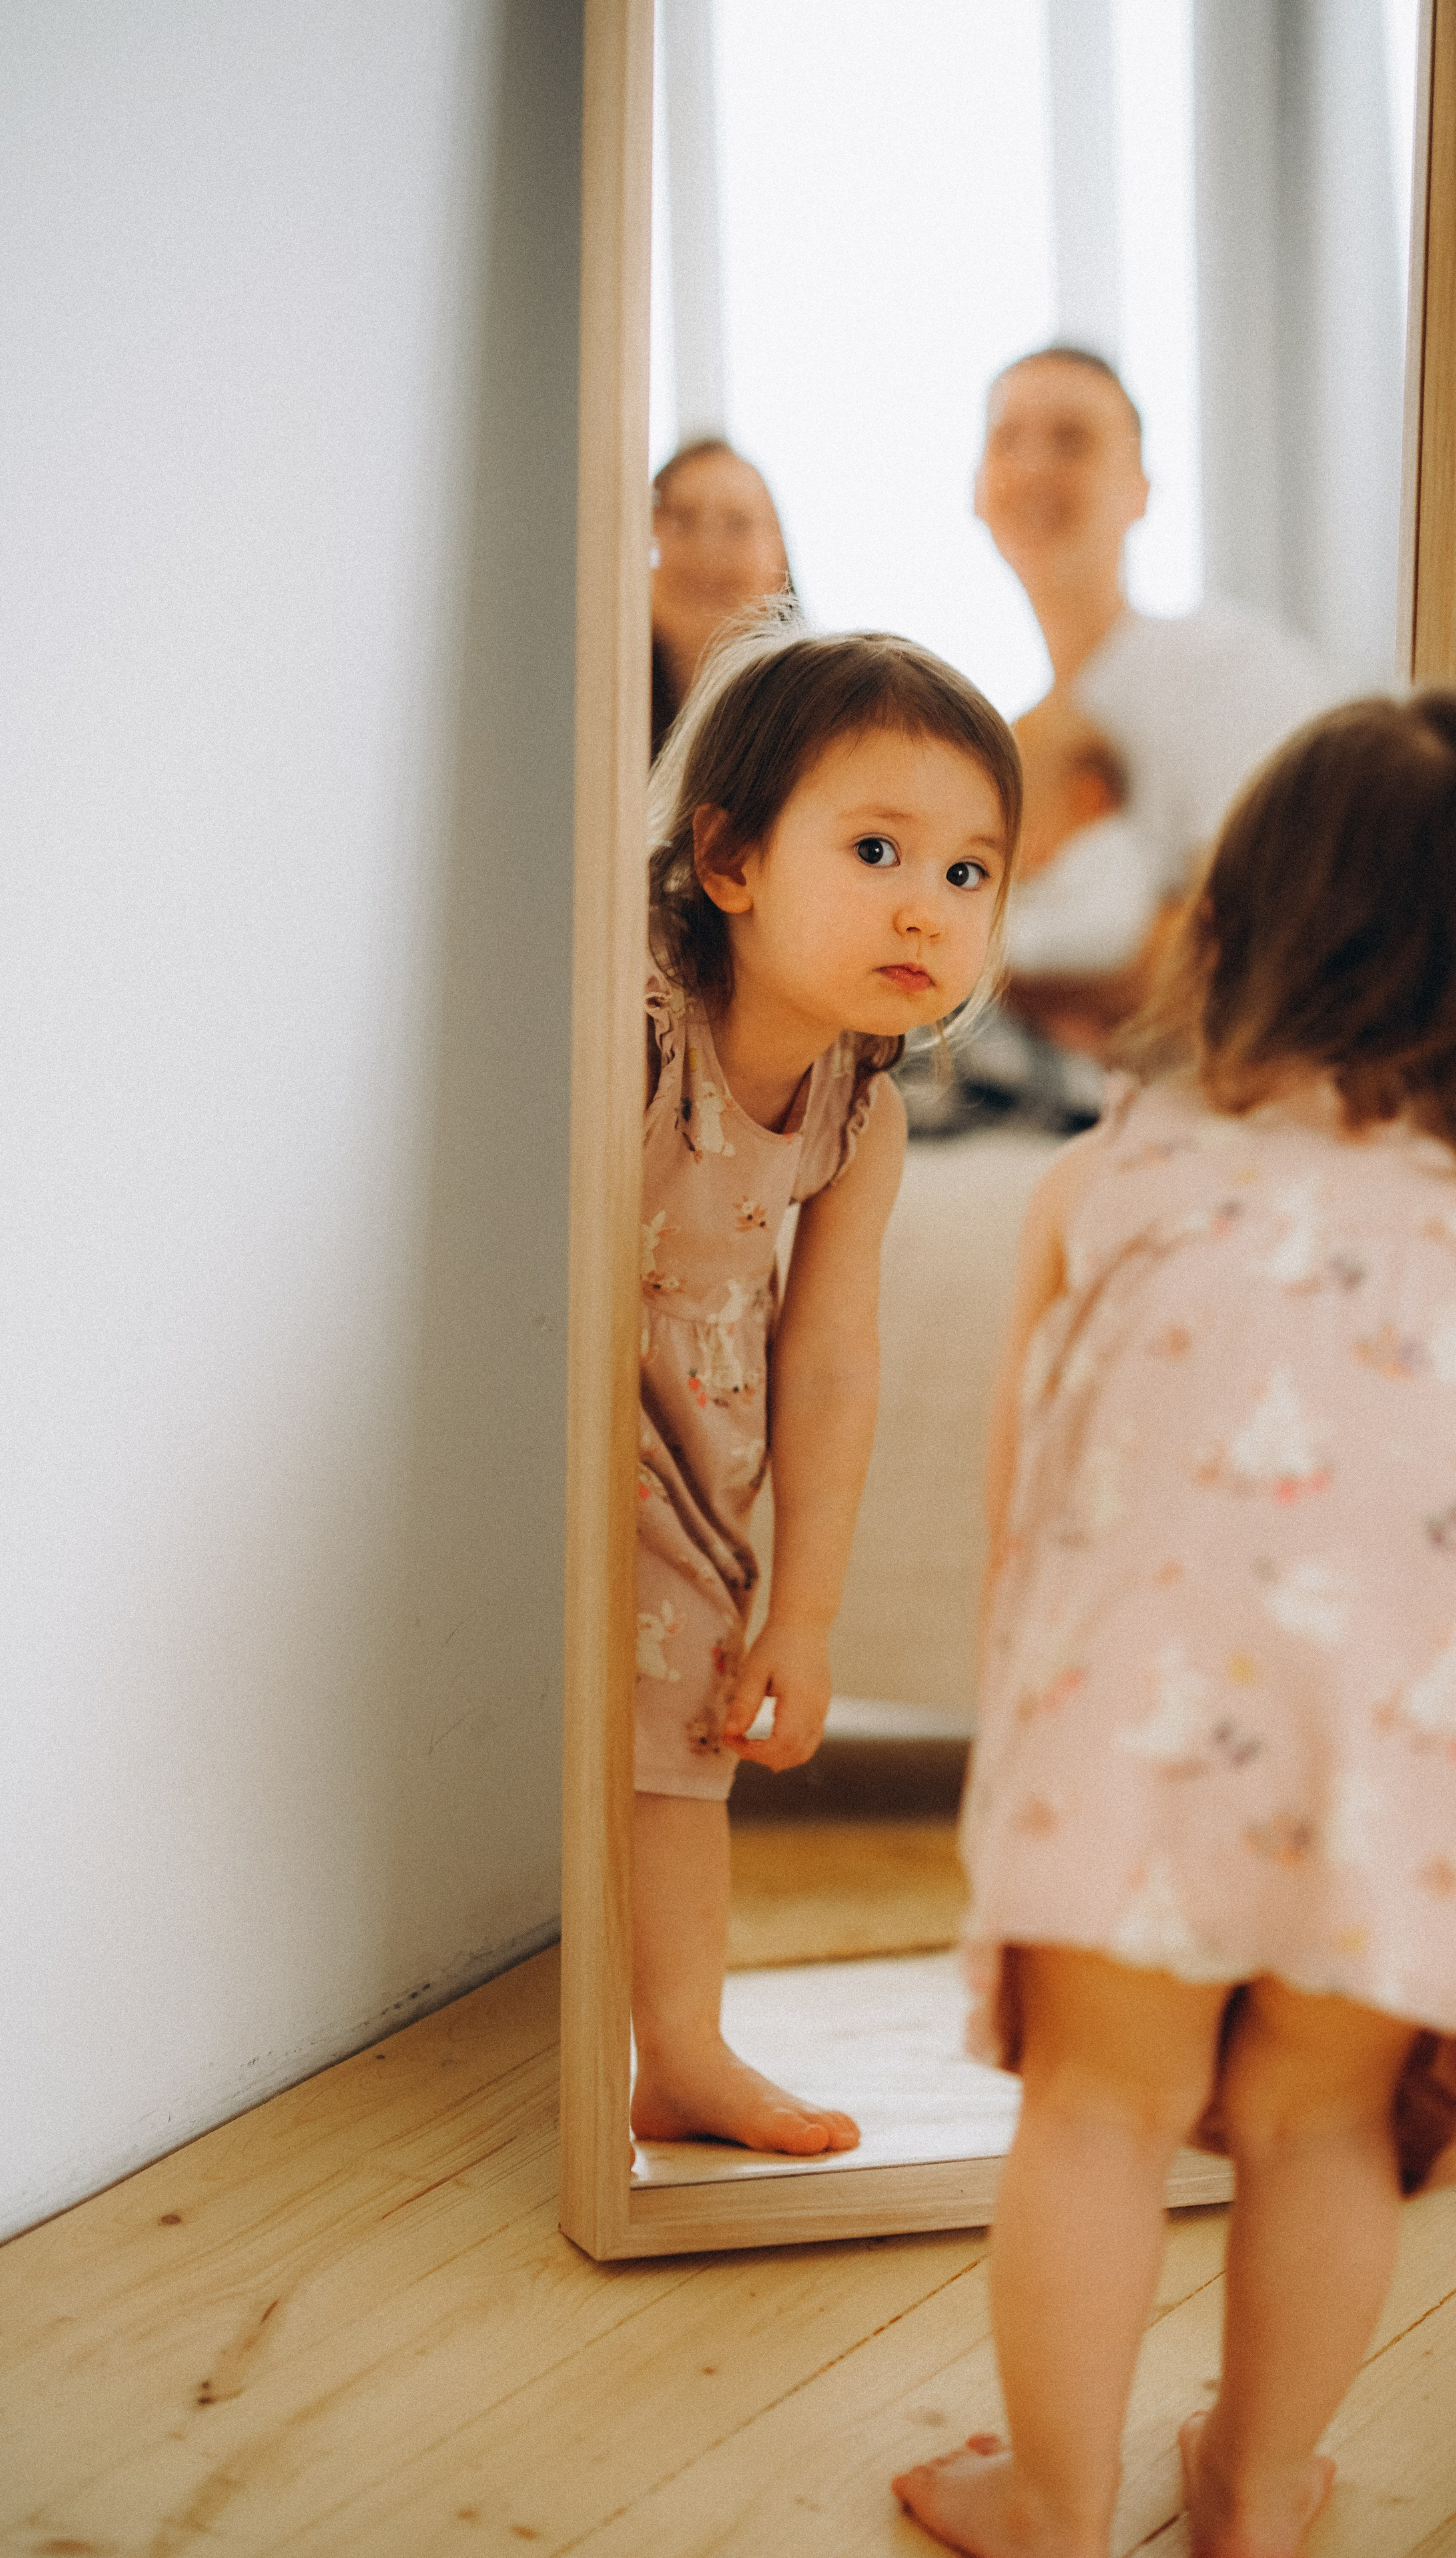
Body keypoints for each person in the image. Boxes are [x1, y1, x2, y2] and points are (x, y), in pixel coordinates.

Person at [894, 689, 1456, 2555]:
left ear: (1234, 922)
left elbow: (1019, 1502)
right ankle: (1255, 2488)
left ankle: (1049, 2502)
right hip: (1406, 1771)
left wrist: (1021, 1719)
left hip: (1122, 1734)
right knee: (1318, 2133)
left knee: (1099, 2116)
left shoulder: (1120, 1171)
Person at [633, 614, 1020, 2155]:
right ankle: (658, 2034)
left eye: (966, 872)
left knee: (687, 1754)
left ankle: (679, 2047)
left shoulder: (861, 1114)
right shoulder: (641, 1036)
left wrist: (804, 1607)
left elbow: (835, 1357)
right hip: (587, 1423)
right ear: (728, 865)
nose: (923, 906)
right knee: (640, 1754)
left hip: (702, 1458)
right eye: (874, 848)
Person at [946, 347, 1339, 1108]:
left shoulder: (1229, 666)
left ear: (1140, 492)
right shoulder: (1021, 738)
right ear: (975, 492)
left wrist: (975, 967)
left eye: (1070, 439)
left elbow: (1252, 950)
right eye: (1007, 440)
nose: (1032, 467)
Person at [650, 439, 793, 757]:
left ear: (780, 552)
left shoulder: (817, 717)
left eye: (737, 524)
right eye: (683, 521)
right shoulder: (592, 710)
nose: (709, 553)